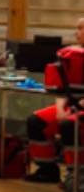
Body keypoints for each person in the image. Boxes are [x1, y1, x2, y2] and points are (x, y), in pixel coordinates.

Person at [26, 18, 84, 183]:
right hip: (72, 105)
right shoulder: (70, 56)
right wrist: (60, 110)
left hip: (80, 108)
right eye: (77, 28)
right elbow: (61, 89)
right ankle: (48, 171)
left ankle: (76, 176)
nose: (77, 33)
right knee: (36, 121)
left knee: (69, 125)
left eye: (81, 28)